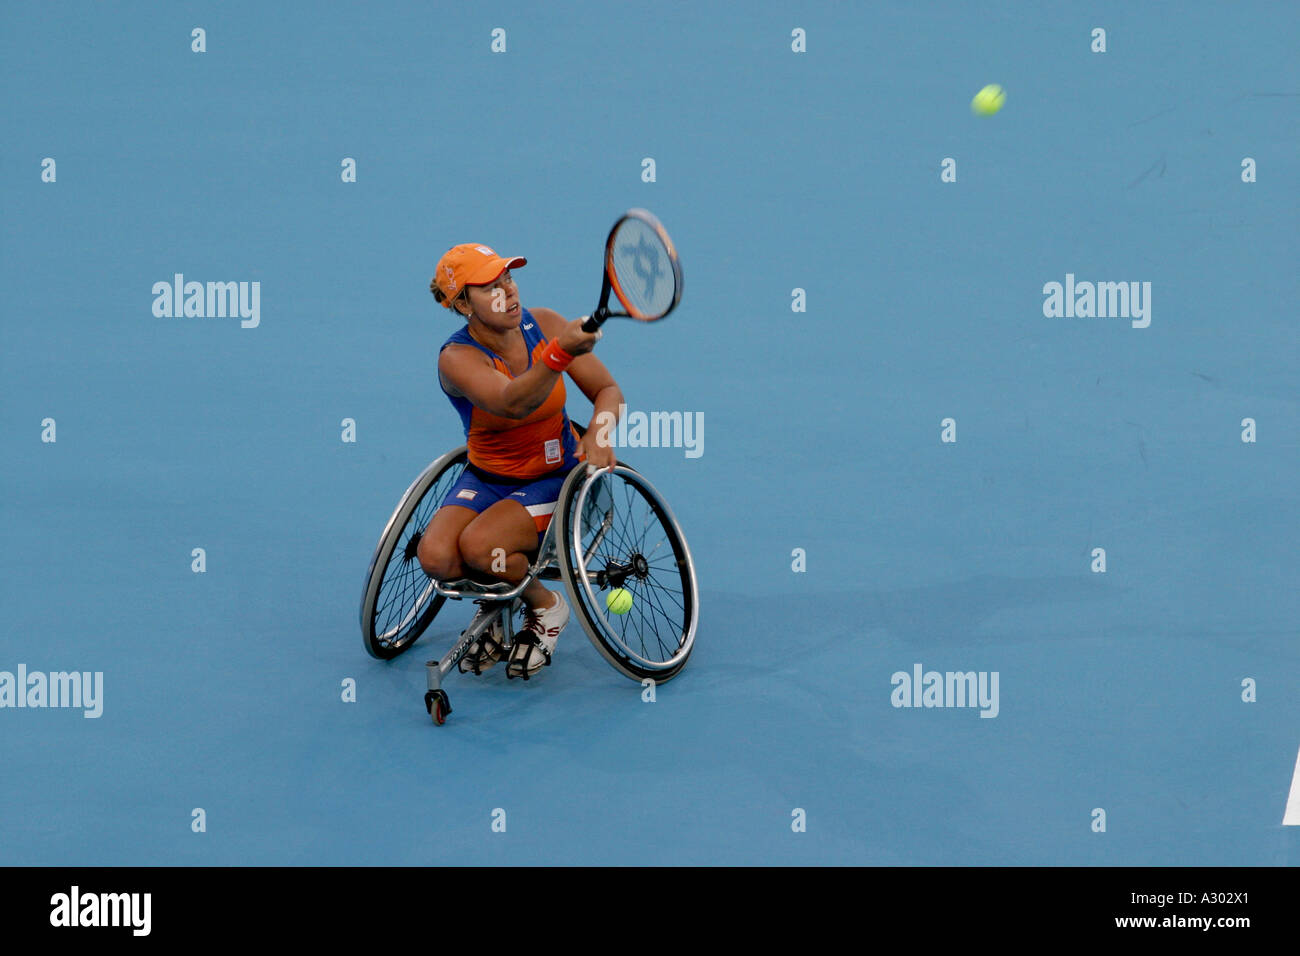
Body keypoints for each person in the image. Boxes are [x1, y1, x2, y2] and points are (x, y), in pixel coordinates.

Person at [417, 243, 623, 678]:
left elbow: (608, 392)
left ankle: (548, 607)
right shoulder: (457, 359)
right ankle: (501, 596)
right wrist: (559, 354)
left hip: (554, 477)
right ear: (461, 304)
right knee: (435, 557)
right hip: (488, 478)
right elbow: (512, 403)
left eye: (508, 278)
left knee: (479, 547)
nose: (507, 292)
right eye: (490, 286)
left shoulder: (544, 323)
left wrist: (600, 434)